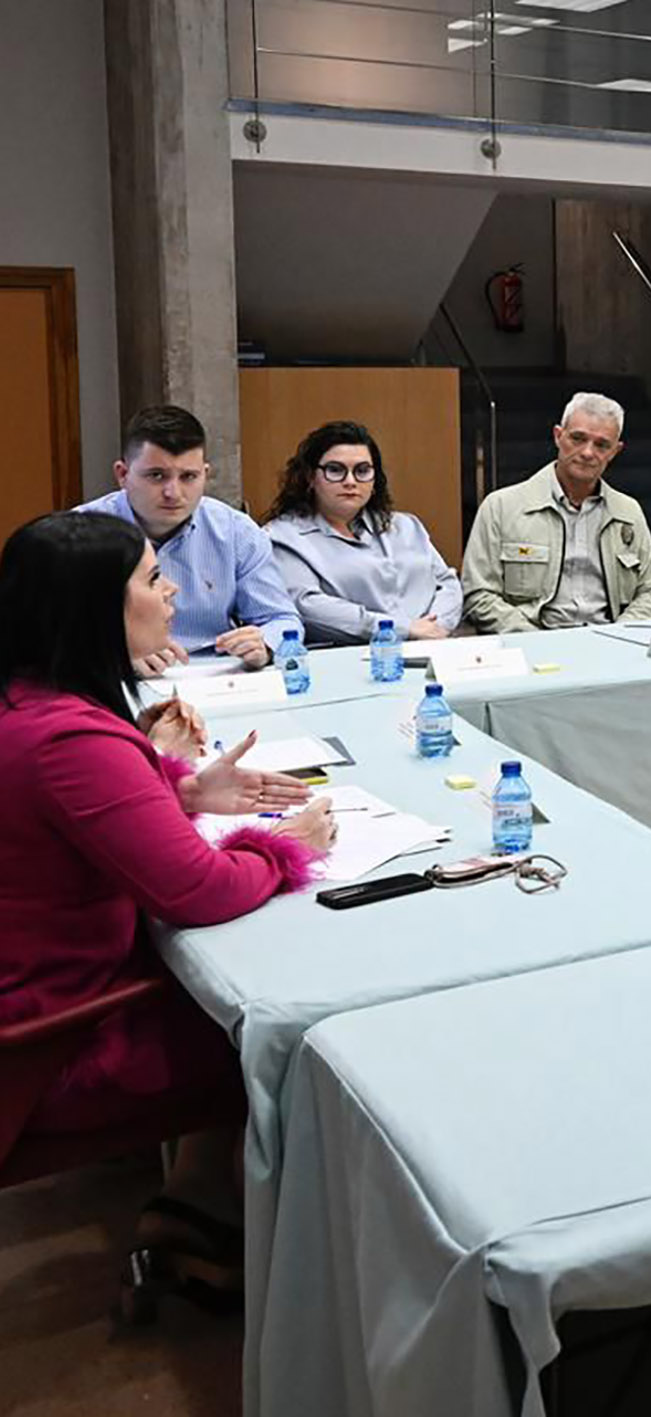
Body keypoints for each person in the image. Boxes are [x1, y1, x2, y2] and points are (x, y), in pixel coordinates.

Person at [0, 512, 335, 1295]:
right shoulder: (70, 739)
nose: (171, 591)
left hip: (39, 983)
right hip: (48, 1039)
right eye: (152, 580)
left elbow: (69, 828)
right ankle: (278, 1250)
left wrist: (179, 790)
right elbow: (199, 890)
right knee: (283, 1027)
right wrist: (289, 845)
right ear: (95, 609)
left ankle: (194, 1197)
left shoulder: (29, 703)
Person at [75, 404, 301, 674]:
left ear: (205, 473)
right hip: (119, 679)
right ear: (123, 474)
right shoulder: (80, 533)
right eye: (156, 476)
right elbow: (45, 634)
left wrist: (265, 644)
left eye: (188, 477)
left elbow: (283, 620)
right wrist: (111, 657)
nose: (173, 492)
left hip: (220, 674)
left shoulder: (236, 531)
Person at [460, 392, 651, 631]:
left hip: (611, 641)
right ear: (558, 436)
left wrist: (622, 633)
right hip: (531, 643)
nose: (588, 452)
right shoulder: (501, 507)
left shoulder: (628, 512)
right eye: (578, 438)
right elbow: (478, 594)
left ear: (615, 451)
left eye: (601, 445)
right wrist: (534, 640)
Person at [264, 420, 463, 646]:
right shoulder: (282, 537)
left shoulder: (407, 526)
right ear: (310, 477)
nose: (350, 481)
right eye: (335, 470)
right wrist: (403, 629)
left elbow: (448, 583)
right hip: (351, 659)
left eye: (362, 471)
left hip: (433, 647)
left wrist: (436, 627)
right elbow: (308, 606)